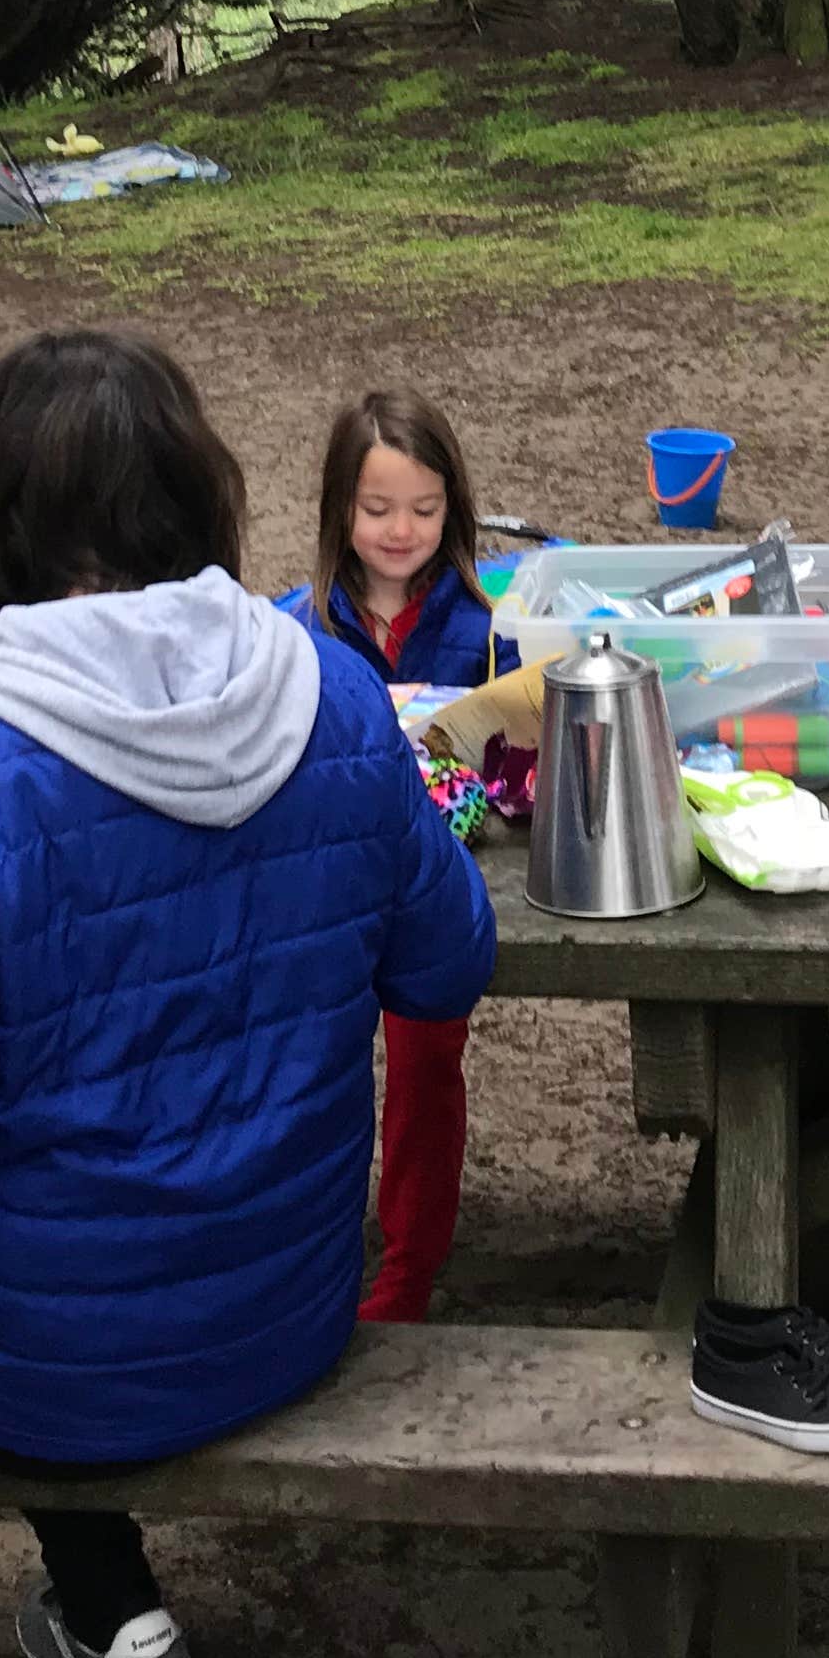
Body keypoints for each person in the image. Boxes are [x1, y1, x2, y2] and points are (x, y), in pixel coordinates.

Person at [0, 329, 495, 1658]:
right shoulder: (335, 696)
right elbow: (446, 962)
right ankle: (110, 1609)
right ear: (202, 494)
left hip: (52, 1364)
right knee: (25, 1236)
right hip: (288, 1308)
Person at [274, 389, 497, 1324]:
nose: (401, 531)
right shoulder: (298, 630)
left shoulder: (486, 629)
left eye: (424, 508)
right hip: (328, 887)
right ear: (339, 510)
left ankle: (408, 1271)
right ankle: (298, 1254)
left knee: (425, 1062)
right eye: (377, 509)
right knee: (306, 1065)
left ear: (454, 509)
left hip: (431, 889)